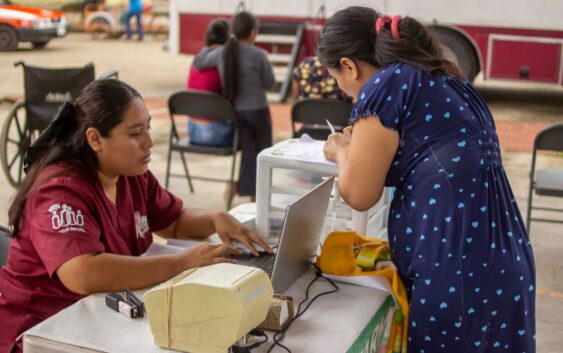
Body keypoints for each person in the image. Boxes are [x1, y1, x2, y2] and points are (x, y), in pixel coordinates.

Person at [319, 6, 535, 352]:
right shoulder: (445, 75)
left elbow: (359, 193)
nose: (346, 92)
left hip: (460, 273)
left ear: (349, 65)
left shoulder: (385, 85)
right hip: (501, 259)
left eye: (339, 81)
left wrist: (342, 151)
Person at [0, 79, 272, 353]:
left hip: (104, 320)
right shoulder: (59, 190)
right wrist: (184, 262)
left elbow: (174, 222)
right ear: (95, 139)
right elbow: (82, 273)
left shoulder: (130, 175)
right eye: (135, 133)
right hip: (43, 331)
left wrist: (215, 217)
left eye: (149, 128)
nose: (149, 142)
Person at [193, 11, 275, 202]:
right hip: (259, 111)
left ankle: (242, 189)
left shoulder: (223, 52)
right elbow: (269, 83)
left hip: (236, 112)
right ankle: (257, 197)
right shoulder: (259, 54)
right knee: (263, 153)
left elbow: (198, 63)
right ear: (253, 32)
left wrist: (210, 48)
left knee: (248, 152)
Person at [186, 19, 234, 147]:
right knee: (249, 133)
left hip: (192, 130)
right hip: (216, 134)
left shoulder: (197, 59)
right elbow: (231, 94)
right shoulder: (223, 60)